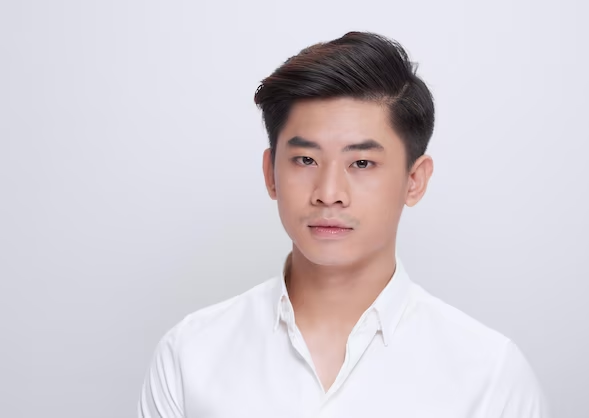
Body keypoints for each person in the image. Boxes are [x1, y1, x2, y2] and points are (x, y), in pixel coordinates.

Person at [138, 31, 550, 417]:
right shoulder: (190, 355)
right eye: (305, 160)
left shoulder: (489, 374)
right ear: (271, 174)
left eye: (362, 163)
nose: (329, 192)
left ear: (414, 180)